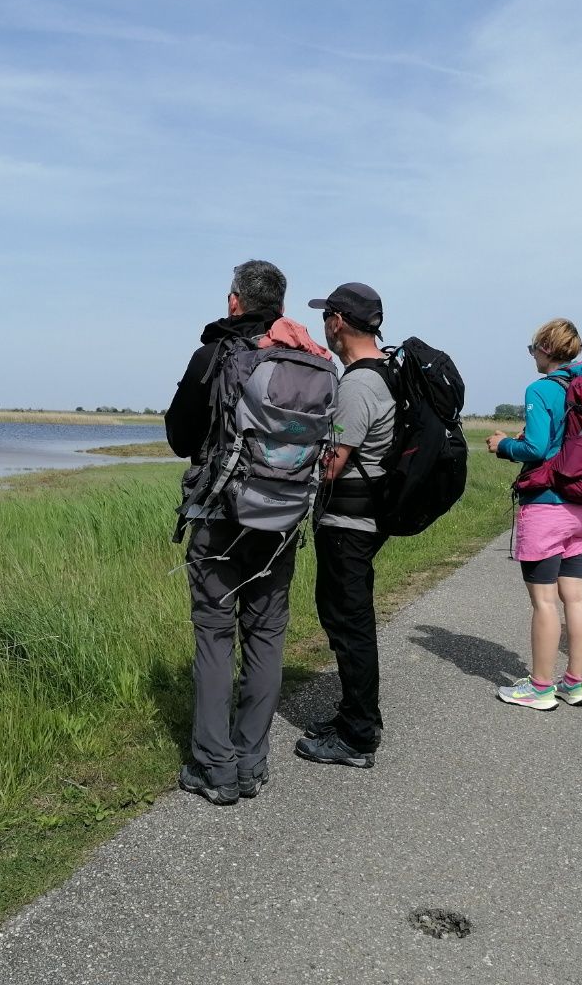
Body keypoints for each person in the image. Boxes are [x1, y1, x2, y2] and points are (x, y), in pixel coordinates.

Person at [165, 260, 298, 805]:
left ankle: (215, 768)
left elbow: (179, 436)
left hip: (221, 520)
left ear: (234, 303)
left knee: (216, 636)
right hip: (283, 520)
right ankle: (252, 762)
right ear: (281, 308)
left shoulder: (215, 355)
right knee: (266, 637)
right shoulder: (306, 361)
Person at [294, 283, 395, 768]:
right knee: (346, 619)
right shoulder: (387, 372)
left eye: (325, 317)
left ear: (338, 322)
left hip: (348, 521)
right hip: (368, 516)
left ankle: (357, 737)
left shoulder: (357, 384)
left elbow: (333, 464)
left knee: (350, 623)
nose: (323, 326)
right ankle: (354, 715)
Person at [487, 318, 582, 710]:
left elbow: (535, 448)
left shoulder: (541, 389)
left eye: (533, 348)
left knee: (545, 602)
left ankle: (539, 687)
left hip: (547, 506)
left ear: (546, 349)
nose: (532, 354)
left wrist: (502, 445)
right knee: (576, 597)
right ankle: (574, 682)